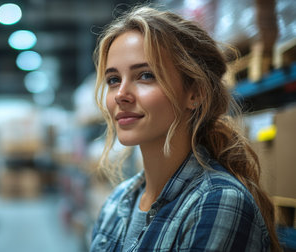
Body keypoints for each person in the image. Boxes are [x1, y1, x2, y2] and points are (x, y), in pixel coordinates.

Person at [90, 5, 280, 252]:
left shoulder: (215, 203)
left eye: (145, 75)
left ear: (195, 93)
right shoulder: (117, 202)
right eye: (113, 80)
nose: (121, 95)